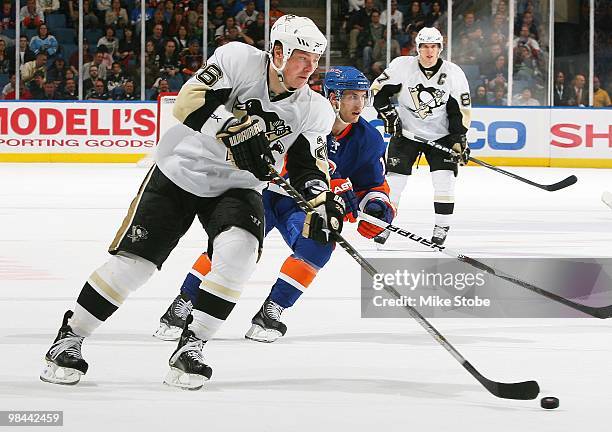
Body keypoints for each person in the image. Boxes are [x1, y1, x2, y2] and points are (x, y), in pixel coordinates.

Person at [40, 14, 342, 390]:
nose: (310, 68)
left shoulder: (315, 109)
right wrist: (232, 129)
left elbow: (307, 168)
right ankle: (69, 337)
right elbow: (188, 100)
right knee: (135, 265)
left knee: (240, 255)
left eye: (316, 60)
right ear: (277, 52)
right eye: (302, 57)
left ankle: (191, 346)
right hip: (181, 169)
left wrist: (321, 200)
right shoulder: (238, 59)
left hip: (237, 186)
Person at [154, 66, 395, 343]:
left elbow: (373, 184)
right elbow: (283, 164)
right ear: (332, 97)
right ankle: (184, 303)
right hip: (264, 194)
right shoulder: (303, 115)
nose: (359, 104)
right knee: (229, 245)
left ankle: (272, 310)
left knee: (321, 241)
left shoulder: (368, 139)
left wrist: (376, 206)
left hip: (301, 208)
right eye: (351, 96)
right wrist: (336, 187)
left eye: (363, 96)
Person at [371, 26, 471, 246]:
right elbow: (378, 91)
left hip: (440, 135)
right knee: (394, 183)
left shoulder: (454, 73)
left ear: (440, 48)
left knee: (443, 182)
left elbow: (459, 110)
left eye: (433, 46)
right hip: (406, 133)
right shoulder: (402, 66)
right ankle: (384, 224)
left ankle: (441, 226)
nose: (429, 51)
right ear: (417, 48)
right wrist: (389, 115)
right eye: (425, 46)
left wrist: (458, 138)